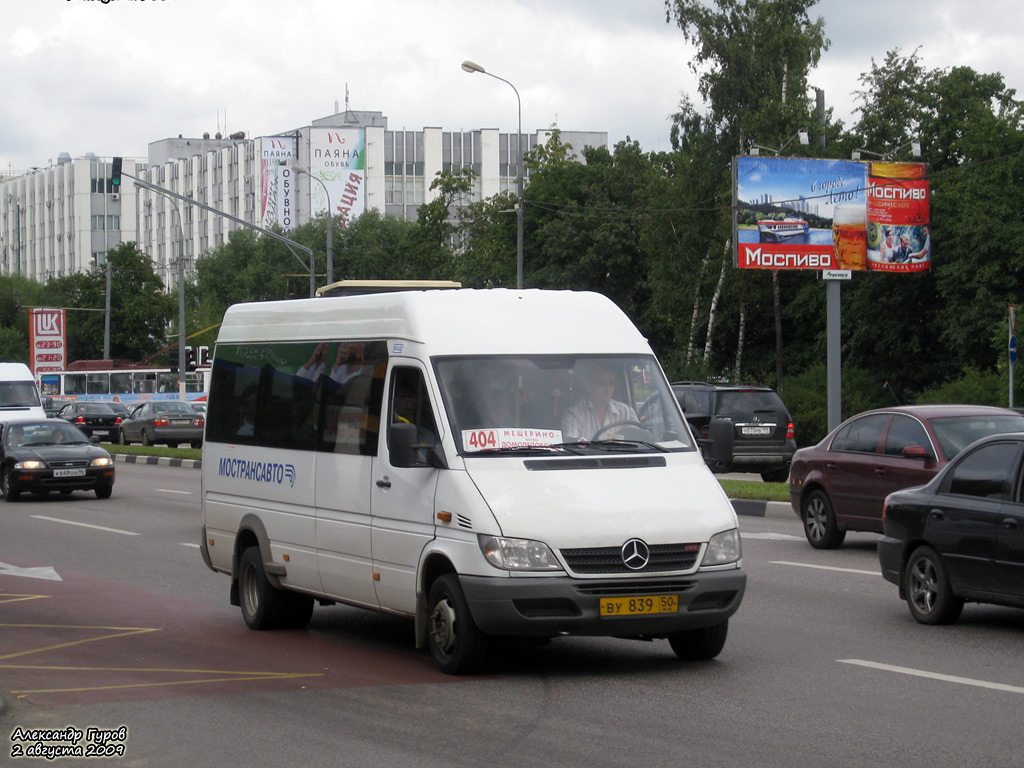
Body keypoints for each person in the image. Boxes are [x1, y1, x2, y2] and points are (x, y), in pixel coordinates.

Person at [563, 364, 637, 441]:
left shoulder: (626, 412)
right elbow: (573, 446)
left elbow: (640, 441)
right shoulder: (574, 414)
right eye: (602, 384)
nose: (607, 388)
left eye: (611, 384)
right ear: (589, 385)